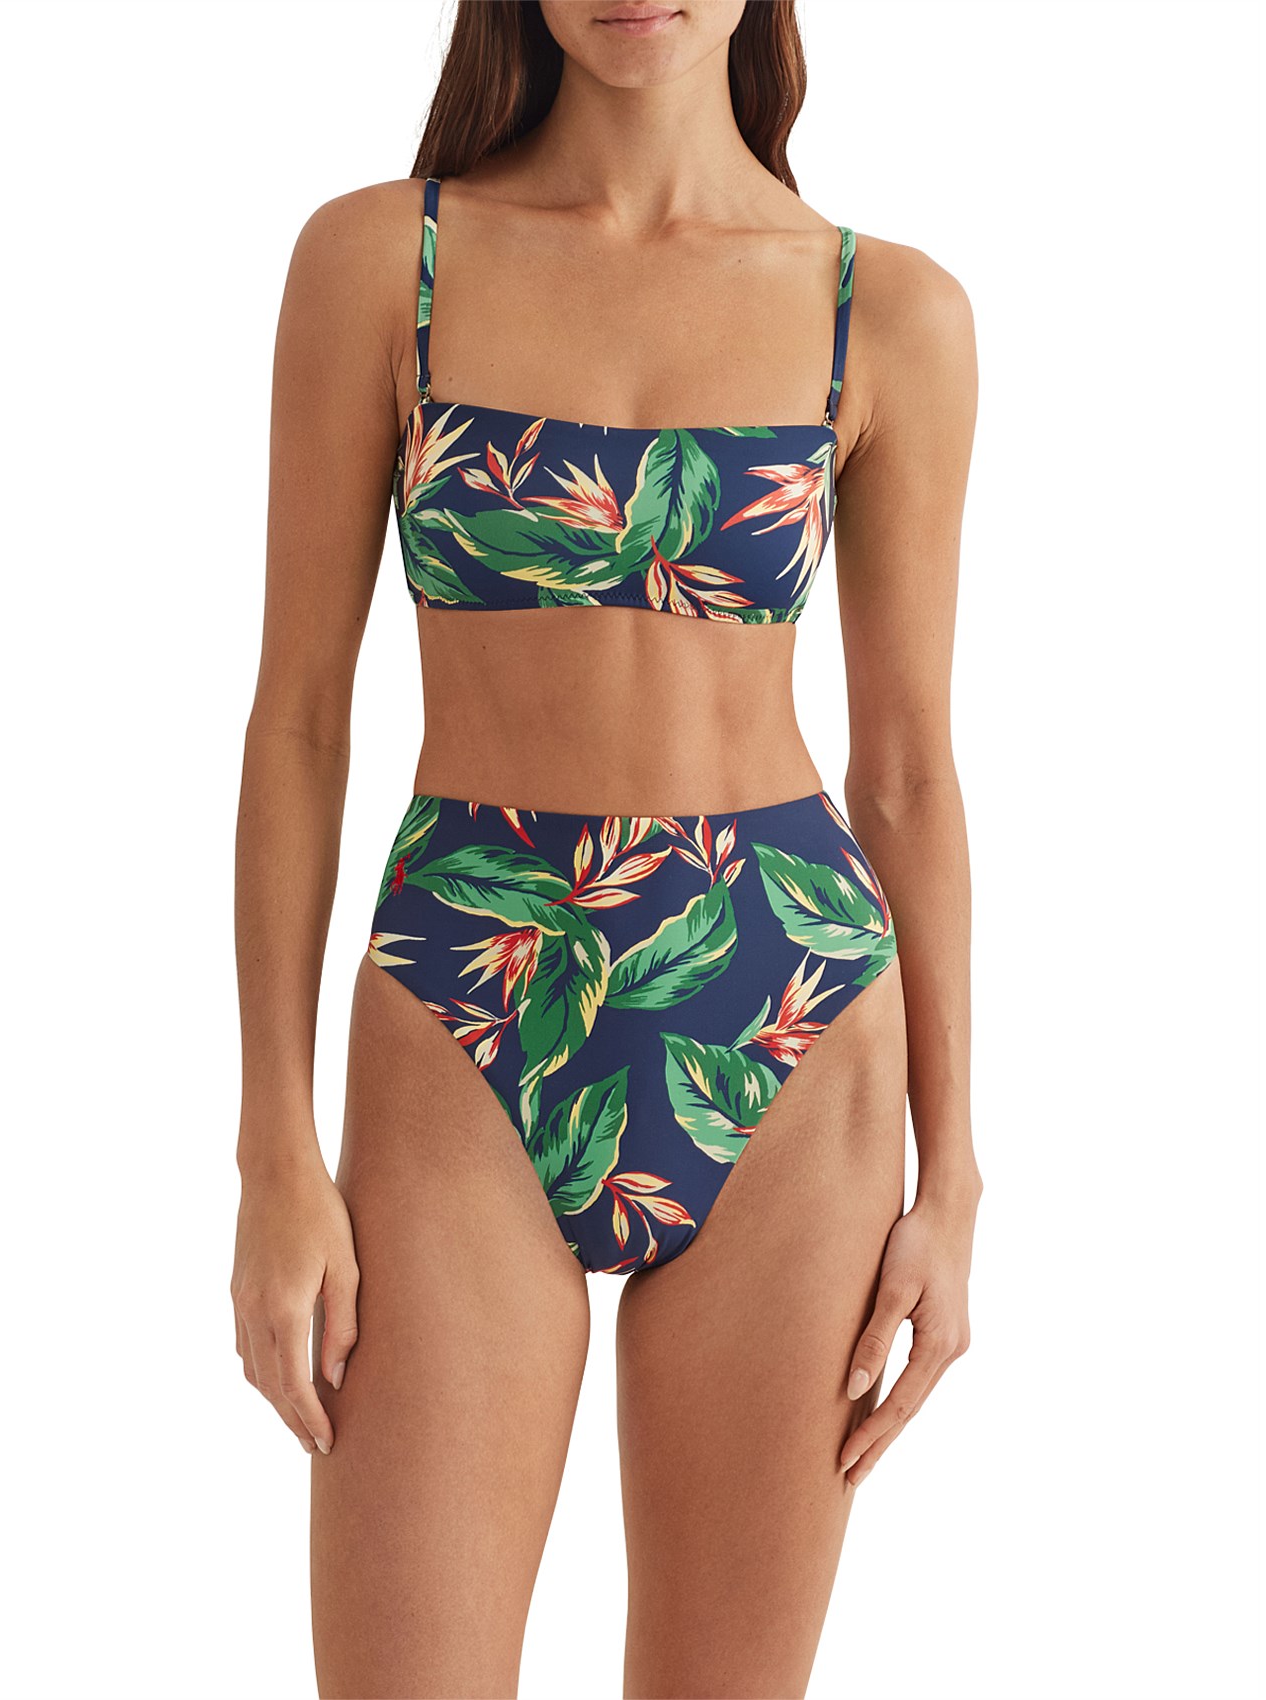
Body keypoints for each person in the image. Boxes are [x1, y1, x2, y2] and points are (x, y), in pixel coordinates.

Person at [231, 2, 982, 1694]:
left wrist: (955, 1177)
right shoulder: (386, 264)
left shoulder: (887, 311)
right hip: (467, 998)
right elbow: (295, 724)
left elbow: (908, 774)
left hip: (787, 1014)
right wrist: (273, 1144)